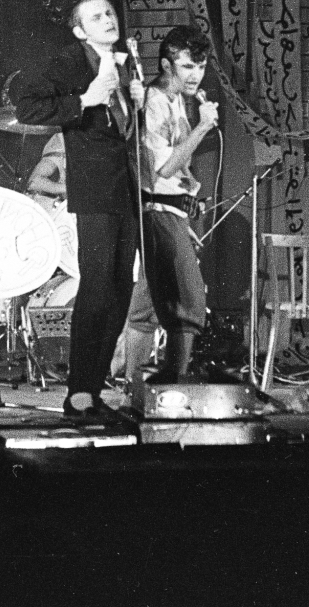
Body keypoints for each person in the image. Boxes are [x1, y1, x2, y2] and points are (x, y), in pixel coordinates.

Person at [12, 0, 145, 418]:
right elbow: (27, 104)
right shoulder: (70, 61)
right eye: (96, 16)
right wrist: (84, 101)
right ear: (79, 30)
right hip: (95, 188)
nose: (108, 19)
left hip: (128, 189)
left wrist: (139, 102)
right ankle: (78, 394)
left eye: (110, 13)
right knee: (97, 286)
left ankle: (93, 388)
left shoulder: (125, 63)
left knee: (121, 287)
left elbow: (126, 130)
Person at [122, 26, 219, 385]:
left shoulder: (177, 99)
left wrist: (187, 204)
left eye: (201, 67)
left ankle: (132, 384)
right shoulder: (155, 101)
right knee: (186, 300)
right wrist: (202, 128)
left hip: (171, 210)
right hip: (157, 211)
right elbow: (164, 168)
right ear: (166, 65)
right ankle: (172, 381)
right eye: (188, 66)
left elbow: (178, 167)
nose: (196, 75)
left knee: (147, 307)